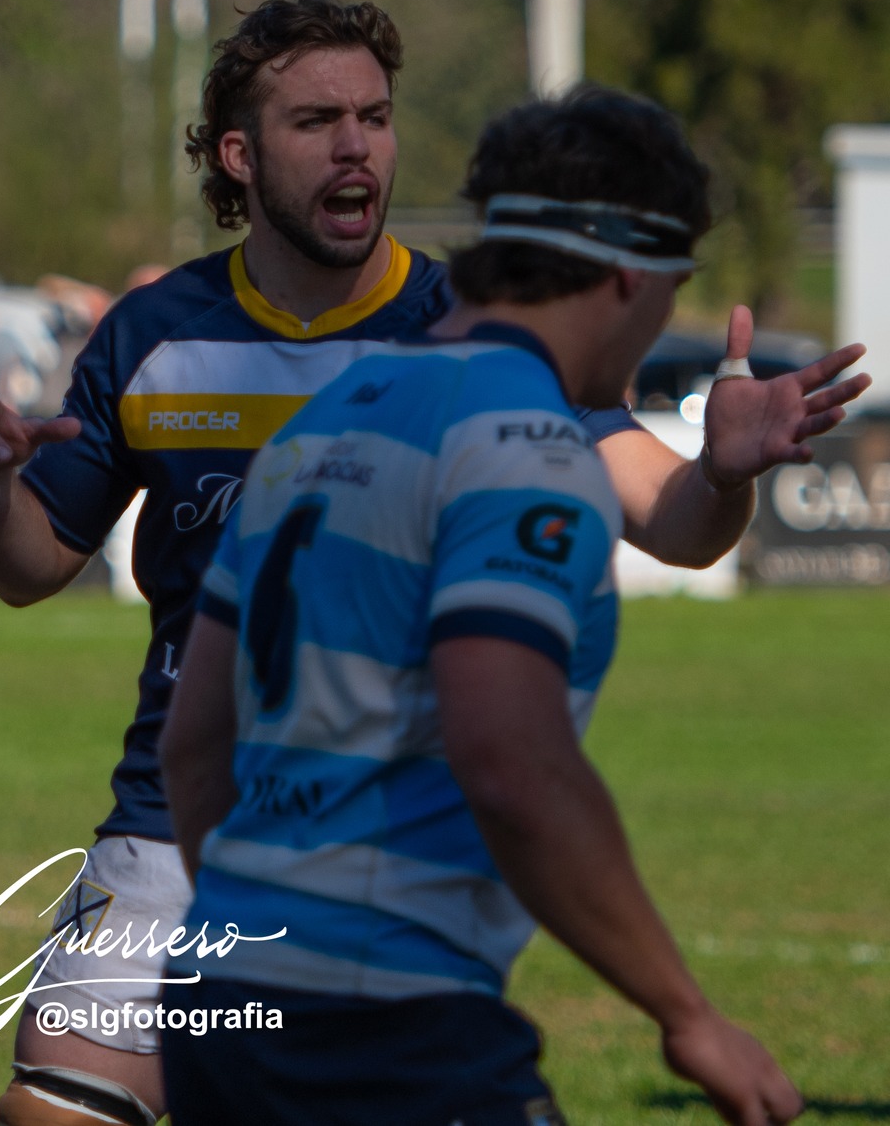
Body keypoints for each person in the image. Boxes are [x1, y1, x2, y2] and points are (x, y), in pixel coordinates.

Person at [0, 0, 868, 1126]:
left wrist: (719, 472)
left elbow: (667, 516)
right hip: (315, 904)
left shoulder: (395, 374)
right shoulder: (207, 345)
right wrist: (684, 1012)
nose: (353, 145)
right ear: (239, 152)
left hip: (256, 852)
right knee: (57, 1109)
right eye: (317, 119)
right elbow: (505, 755)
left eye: (373, 118)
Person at [160, 87, 802, 1125]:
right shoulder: (524, 447)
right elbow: (511, 763)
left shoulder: (319, 426)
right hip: (381, 1026)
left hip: (221, 999)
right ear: (631, 274)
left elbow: (193, 750)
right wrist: (685, 1013)